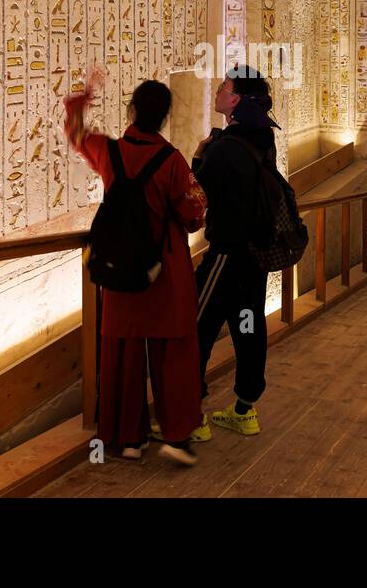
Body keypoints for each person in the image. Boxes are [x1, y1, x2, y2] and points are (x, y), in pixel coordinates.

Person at [65, 74, 207, 466]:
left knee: (124, 352)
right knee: (172, 352)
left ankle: (128, 438)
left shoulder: (111, 153)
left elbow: (76, 134)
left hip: (121, 268)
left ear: (132, 111)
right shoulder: (173, 160)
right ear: (164, 118)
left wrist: (80, 102)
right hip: (165, 268)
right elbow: (195, 212)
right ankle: (177, 435)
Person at [191, 66, 279, 437]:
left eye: (224, 87)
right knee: (248, 325)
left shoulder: (225, 148)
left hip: (226, 255)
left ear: (236, 101)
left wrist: (198, 158)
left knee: (194, 327)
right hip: (253, 257)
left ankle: (190, 419)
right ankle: (245, 408)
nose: (217, 90)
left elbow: (196, 196)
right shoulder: (263, 137)